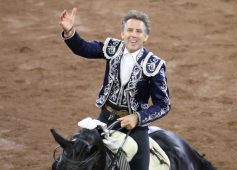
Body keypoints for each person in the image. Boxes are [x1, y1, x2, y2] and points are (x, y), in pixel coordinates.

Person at [59, 8, 171, 170]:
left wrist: (137, 118)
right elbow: (84, 48)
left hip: (134, 128)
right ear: (122, 33)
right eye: (129, 30)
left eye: (139, 31)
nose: (133, 34)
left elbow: (163, 104)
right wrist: (70, 32)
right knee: (74, 156)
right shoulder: (112, 49)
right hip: (105, 118)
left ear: (146, 37)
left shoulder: (154, 65)